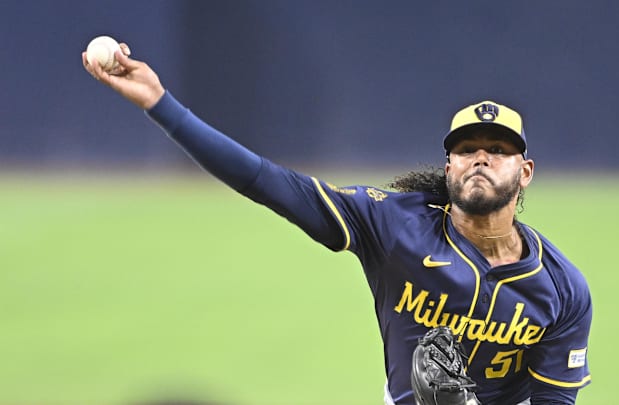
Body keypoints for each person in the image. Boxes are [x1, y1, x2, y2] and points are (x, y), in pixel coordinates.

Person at [83, 44, 592, 405]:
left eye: (498, 150)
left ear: (524, 172)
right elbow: (266, 181)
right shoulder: (392, 225)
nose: (480, 158)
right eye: (466, 149)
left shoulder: (562, 290)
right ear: (449, 168)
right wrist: (160, 104)